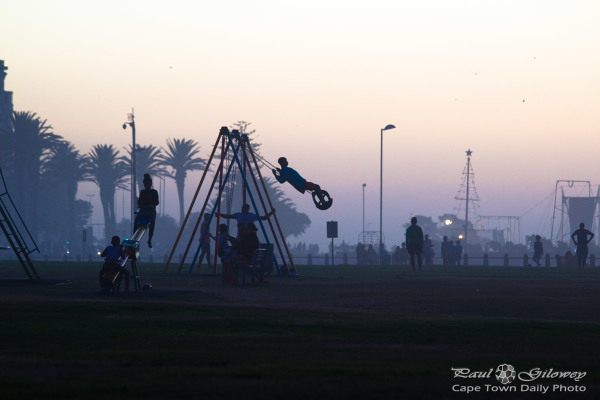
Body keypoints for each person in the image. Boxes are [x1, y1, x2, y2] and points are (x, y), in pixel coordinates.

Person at [135, 173, 159, 248]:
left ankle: (149, 239)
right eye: (145, 183)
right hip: (143, 211)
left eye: (148, 183)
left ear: (150, 183)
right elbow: (139, 202)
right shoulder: (142, 192)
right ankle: (134, 237)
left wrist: (152, 205)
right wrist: (141, 205)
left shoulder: (154, 192)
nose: (146, 185)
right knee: (136, 220)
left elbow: (156, 202)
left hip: (151, 211)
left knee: (152, 222)